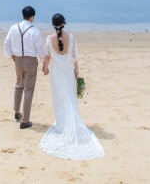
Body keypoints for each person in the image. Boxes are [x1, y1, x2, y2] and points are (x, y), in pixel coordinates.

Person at [39, 13, 104, 160]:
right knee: (69, 96)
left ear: (53, 24)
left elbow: (48, 56)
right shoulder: (72, 37)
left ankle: (62, 125)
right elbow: (75, 56)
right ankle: (70, 121)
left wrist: (45, 68)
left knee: (59, 98)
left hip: (56, 72)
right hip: (68, 71)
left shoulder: (49, 39)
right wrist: (76, 70)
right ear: (64, 23)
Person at [3, 5, 46, 129]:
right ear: (32, 17)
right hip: (31, 61)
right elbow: (39, 49)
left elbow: (6, 43)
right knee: (29, 89)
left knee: (18, 85)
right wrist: (44, 63)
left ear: (23, 15)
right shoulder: (35, 31)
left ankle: (17, 112)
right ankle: (25, 120)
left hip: (18, 60)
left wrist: (11, 55)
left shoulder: (13, 27)